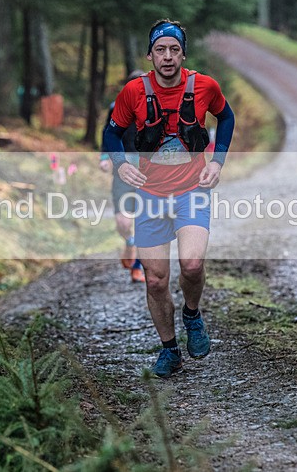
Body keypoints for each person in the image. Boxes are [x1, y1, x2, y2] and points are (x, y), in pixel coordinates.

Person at [103, 19, 236, 378]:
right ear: (150, 55)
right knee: (156, 279)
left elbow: (226, 116)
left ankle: (192, 314)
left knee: (192, 265)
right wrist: (119, 165)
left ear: (183, 54)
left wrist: (218, 161)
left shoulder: (205, 86)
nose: (167, 56)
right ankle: (169, 349)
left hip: (192, 190)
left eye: (174, 49)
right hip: (149, 196)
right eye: (160, 49)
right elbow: (112, 132)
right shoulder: (133, 92)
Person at [99, 70, 147, 283]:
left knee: (144, 219)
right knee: (123, 222)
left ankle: (138, 267)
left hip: (149, 170)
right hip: (123, 168)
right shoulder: (116, 108)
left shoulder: (155, 109)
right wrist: (104, 156)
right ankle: (129, 242)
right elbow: (107, 133)